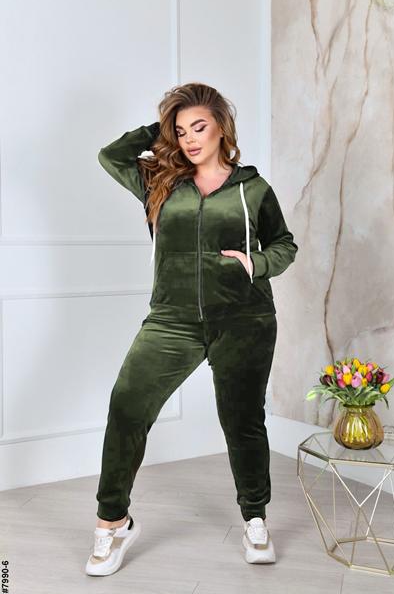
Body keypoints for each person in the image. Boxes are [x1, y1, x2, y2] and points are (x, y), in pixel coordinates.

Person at [85, 82, 298, 576]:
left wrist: (256, 264)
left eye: (199, 127)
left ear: (221, 127)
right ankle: (113, 522)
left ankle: (255, 518)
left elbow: (284, 243)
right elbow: (109, 155)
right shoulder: (160, 181)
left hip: (244, 319)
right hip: (171, 321)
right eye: (180, 131)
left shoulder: (253, 189)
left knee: (242, 421)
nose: (189, 139)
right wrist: (157, 130)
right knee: (127, 407)